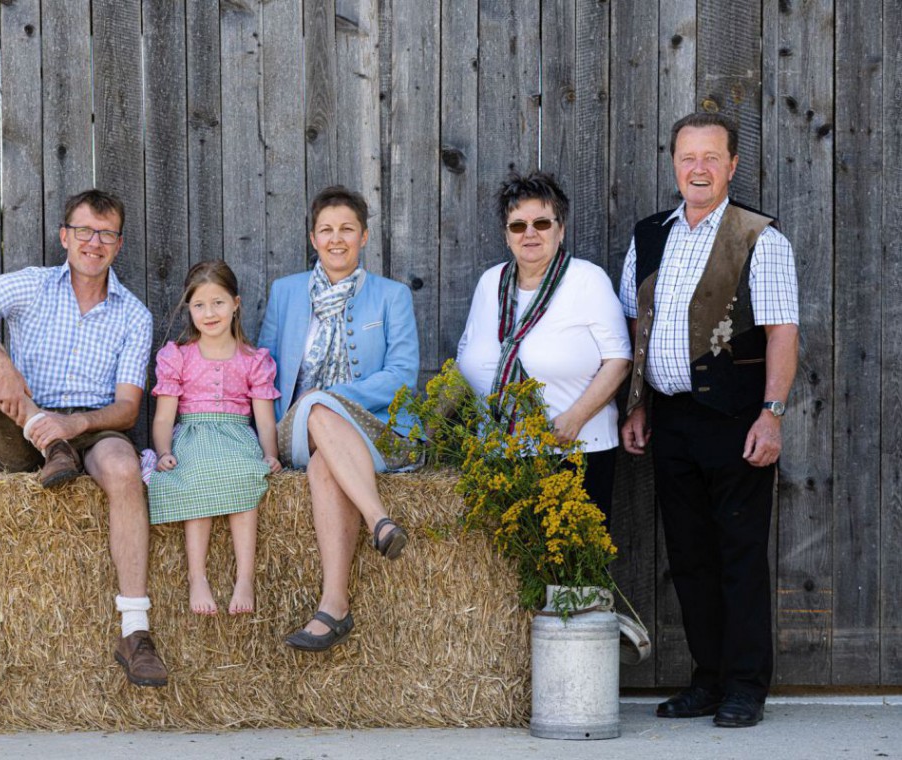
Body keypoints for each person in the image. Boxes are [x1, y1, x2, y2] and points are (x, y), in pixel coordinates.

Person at [0, 189, 167, 688]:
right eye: (84, 231)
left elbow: (126, 410)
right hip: (18, 418)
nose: (94, 242)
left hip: (90, 430)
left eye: (105, 234)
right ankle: (43, 435)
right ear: (65, 236)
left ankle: (135, 631)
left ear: (118, 245)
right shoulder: (33, 285)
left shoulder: (134, 315)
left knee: (125, 470)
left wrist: (74, 426)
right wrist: (7, 374)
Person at [619, 112, 799, 728]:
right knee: (689, 555)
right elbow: (635, 326)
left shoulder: (760, 237)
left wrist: (771, 415)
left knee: (739, 554)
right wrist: (637, 403)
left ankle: (746, 686)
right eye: (687, 157)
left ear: (732, 164)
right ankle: (708, 679)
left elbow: (782, 333)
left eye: (710, 158)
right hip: (670, 419)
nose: (698, 169)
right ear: (674, 163)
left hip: (735, 417)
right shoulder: (648, 235)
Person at [258, 185, 419, 651]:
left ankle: (333, 608)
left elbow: (403, 375)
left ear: (364, 236)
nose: (336, 238)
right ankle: (379, 520)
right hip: (296, 427)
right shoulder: (286, 293)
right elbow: (265, 376)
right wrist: (264, 445)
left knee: (326, 459)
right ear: (313, 238)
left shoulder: (392, 297)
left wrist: (333, 398)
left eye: (347, 229)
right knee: (317, 410)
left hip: (375, 429)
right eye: (326, 230)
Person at [456, 171, 631, 519]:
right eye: (518, 226)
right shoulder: (490, 283)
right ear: (507, 236)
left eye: (542, 223)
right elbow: (465, 356)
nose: (530, 233)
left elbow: (619, 360)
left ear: (560, 229)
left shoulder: (586, 279)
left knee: (569, 568)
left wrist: (574, 419)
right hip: (501, 453)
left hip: (574, 449)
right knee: (510, 570)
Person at [148, 261, 282, 616]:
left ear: (236, 303)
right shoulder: (178, 356)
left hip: (237, 435)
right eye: (199, 305)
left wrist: (270, 454)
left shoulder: (254, 360)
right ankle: (197, 576)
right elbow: (164, 417)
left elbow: (265, 420)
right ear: (188, 309)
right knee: (196, 474)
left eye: (218, 303)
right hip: (194, 433)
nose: (209, 313)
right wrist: (163, 452)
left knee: (246, 476)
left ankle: (245, 577)